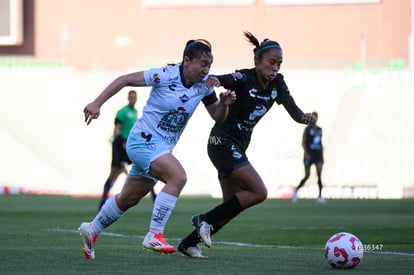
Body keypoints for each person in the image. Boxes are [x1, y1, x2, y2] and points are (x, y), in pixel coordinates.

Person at [79, 39, 236, 259]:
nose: (206, 70)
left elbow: (217, 116)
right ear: (186, 60)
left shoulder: (204, 87)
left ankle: (92, 229)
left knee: (128, 198)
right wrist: (97, 103)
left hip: (161, 147)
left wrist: (224, 105)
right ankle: (154, 234)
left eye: (209, 65)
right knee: (178, 177)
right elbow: (124, 80)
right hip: (142, 141)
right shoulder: (164, 74)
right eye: (202, 63)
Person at [177, 31, 316, 258]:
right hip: (221, 142)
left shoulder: (278, 84)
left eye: (279, 64)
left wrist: (304, 118)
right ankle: (202, 219)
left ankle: (188, 243)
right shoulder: (246, 77)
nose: (275, 68)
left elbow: (294, 111)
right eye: (272, 62)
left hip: (238, 146)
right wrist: (216, 80)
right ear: (257, 61)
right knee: (259, 191)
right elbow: (228, 79)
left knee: (228, 208)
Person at [98, 90, 156, 210]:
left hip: (130, 146)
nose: (132, 99)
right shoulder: (122, 112)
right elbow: (117, 129)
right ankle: (103, 200)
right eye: (131, 97)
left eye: (134, 97)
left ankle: (154, 196)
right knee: (114, 173)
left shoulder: (135, 112)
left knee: (145, 168)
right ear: (128, 98)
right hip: (120, 146)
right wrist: (121, 142)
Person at [292, 111, 325, 203]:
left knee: (319, 175)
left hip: (318, 154)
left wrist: (322, 152)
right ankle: (296, 191)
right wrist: (306, 153)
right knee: (307, 175)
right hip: (309, 155)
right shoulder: (307, 129)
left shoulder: (319, 129)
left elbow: (320, 142)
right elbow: (303, 142)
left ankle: (320, 196)